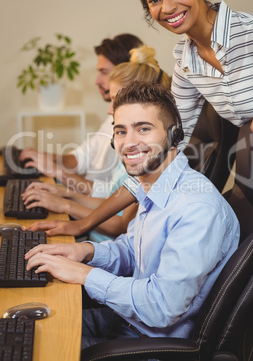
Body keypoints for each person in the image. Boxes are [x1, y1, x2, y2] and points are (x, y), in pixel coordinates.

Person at [25, 81, 240, 347]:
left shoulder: (196, 209)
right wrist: (87, 253)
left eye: (144, 129)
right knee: (24, 330)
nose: (129, 143)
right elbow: (134, 252)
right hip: (126, 320)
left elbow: (162, 307)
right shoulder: (153, 188)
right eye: (121, 131)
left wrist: (83, 274)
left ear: (173, 135)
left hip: (149, 343)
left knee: (36, 349)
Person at [23, 46, 171, 239]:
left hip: (103, 242)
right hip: (95, 235)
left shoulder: (148, 156)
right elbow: (111, 199)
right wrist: (66, 195)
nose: (110, 110)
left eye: (116, 101)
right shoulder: (129, 149)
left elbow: (122, 225)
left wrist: (66, 203)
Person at [128, 0, 253, 150]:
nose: (167, 7)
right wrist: (139, 173)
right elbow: (176, 133)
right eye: (155, 0)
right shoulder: (185, 62)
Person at [19, 33, 143, 197]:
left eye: (104, 72)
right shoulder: (113, 118)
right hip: (85, 201)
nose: (96, 80)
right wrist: (45, 158)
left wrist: (59, 175)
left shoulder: (134, 133)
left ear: (126, 73)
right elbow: (82, 158)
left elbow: (112, 197)